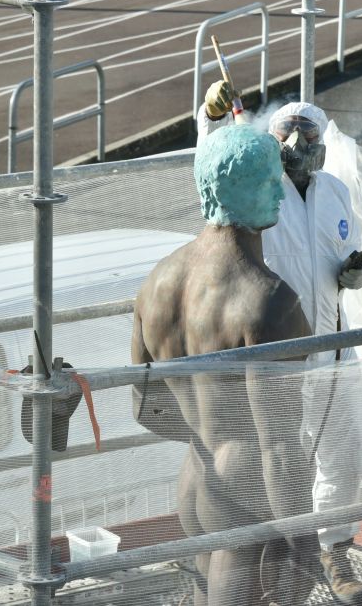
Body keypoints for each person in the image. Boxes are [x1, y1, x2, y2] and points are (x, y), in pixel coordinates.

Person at [197, 81, 362, 606]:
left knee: (347, 453)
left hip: (337, 348)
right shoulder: (259, 191)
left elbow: (343, 254)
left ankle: (333, 551)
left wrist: (352, 272)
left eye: (307, 136)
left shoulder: (336, 192)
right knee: (282, 463)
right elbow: (217, 168)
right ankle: (281, 561)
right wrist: (210, 120)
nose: (297, 146)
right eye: (287, 135)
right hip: (281, 356)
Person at [131, 124, 320, 606]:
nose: (280, 190)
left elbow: (146, 410)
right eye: (267, 181)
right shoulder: (269, 301)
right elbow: (278, 448)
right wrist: (305, 545)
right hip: (248, 498)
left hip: (196, 481)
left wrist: (209, 425)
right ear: (233, 190)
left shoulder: (157, 282)